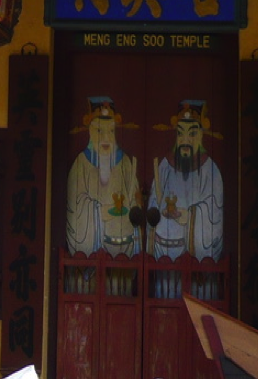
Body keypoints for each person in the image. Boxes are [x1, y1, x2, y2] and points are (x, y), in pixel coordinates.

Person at [147, 100, 224, 262]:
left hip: (194, 249)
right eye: (180, 133)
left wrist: (190, 216)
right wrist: (160, 212)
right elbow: (153, 202)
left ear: (201, 135)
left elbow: (215, 211)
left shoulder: (210, 170)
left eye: (192, 134)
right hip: (164, 245)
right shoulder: (165, 166)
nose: (185, 140)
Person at [66, 97, 142, 256]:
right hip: (94, 244)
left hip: (123, 241)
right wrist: (98, 212)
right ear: (90, 131)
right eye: (99, 131)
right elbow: (74, 205)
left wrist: (134, 206)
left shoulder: (125, 163)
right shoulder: (81, 164)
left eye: (111, 131)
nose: (106, 138)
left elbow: (135, 201)